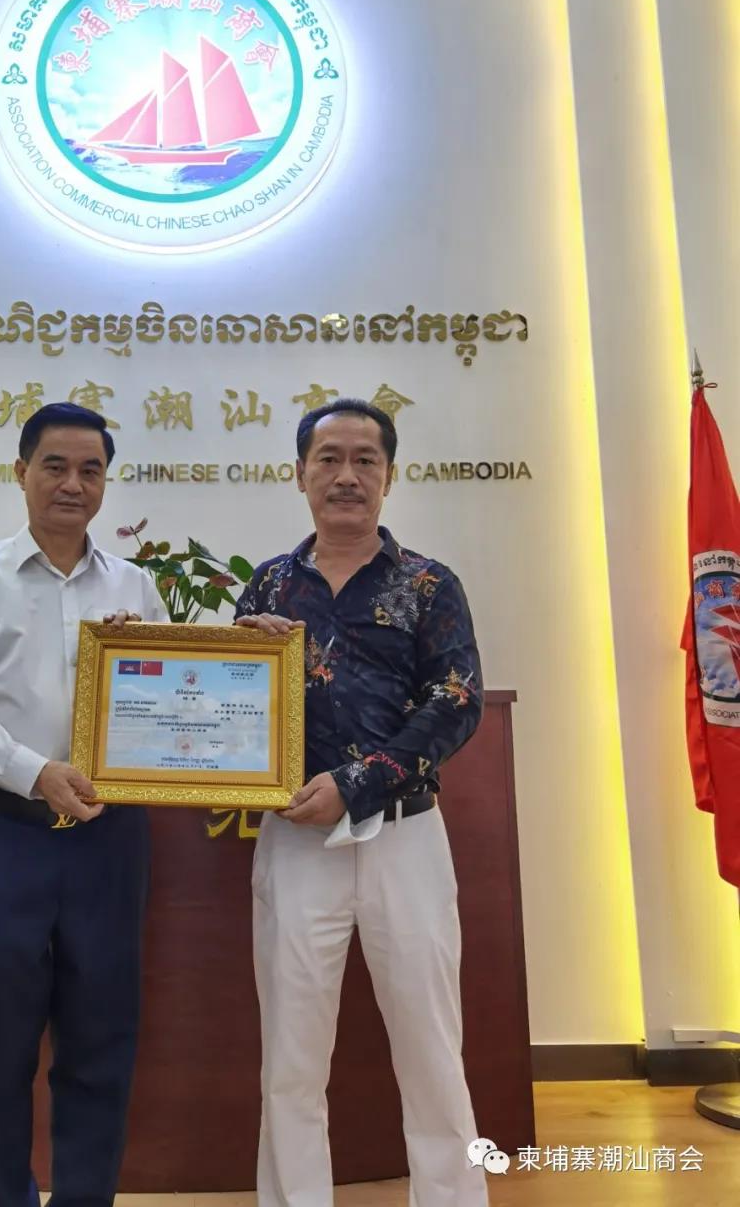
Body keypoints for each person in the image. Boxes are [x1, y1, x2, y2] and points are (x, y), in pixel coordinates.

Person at [0, 402, 168, 1207]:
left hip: (109, 840)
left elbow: (169, 711)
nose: (72, 483)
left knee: (102, 1040)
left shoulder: (136, 587)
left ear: (106, 482)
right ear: (20, 470)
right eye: (55, 465)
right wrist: (33, 771)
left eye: (91, 469)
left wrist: (151, 663)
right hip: (2, 831)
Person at [235, 399, 487, 1207]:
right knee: (291, 1057)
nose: (347, 475)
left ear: (389, 475)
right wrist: (237, 660)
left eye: (365, 459)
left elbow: (457, 699)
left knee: (431, 1047)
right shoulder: (270, 583)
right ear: (299, 473)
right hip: (295, 844)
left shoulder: (428, 584)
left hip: (403, 838)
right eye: (329, 458)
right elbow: (239, 712)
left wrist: (358, 781)